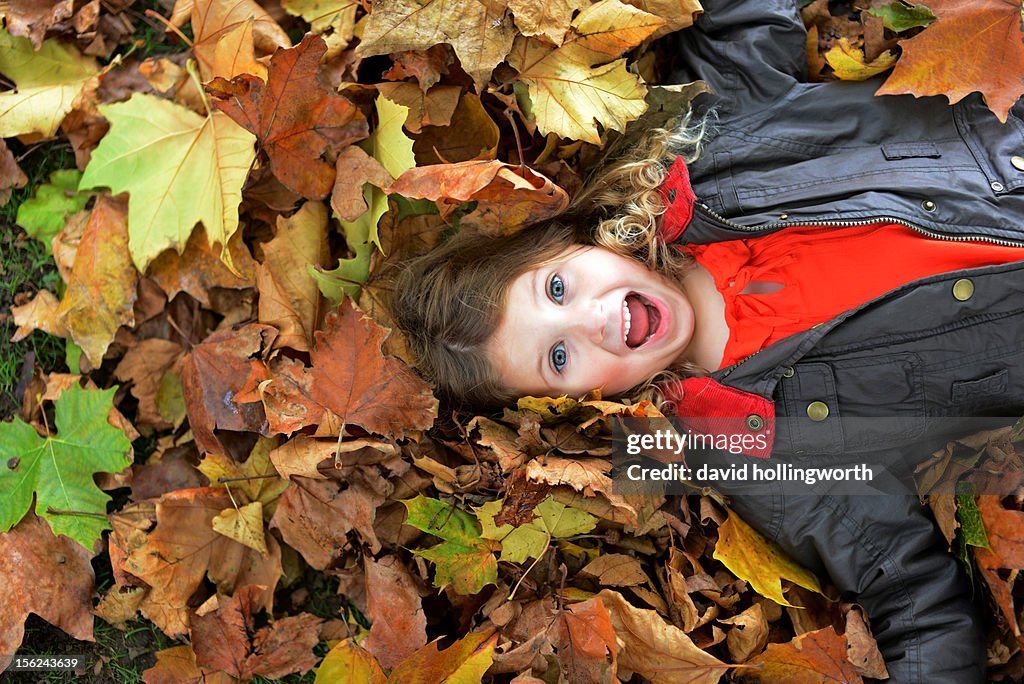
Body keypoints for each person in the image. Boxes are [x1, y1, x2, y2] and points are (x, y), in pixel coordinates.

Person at [388, 0, 1024, 680]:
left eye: (557, 291)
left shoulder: (709, 143)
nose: (593, 322)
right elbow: (903, 585)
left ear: (570, 239)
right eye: (559, 357)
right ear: (577, 403)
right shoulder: (749, 446)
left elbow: (743, 13)